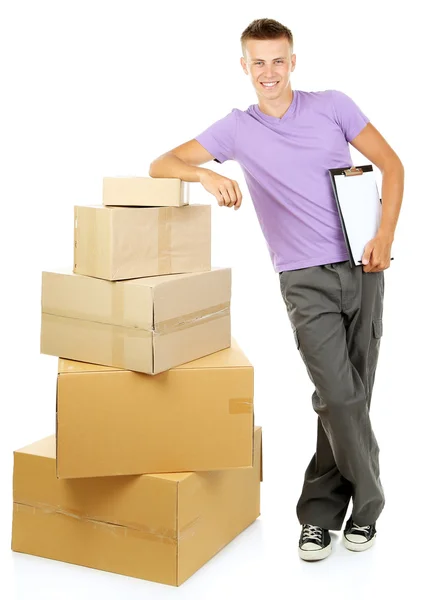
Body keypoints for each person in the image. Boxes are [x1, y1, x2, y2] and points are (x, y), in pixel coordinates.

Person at [149, 18, 404, 562]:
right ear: (244, 67)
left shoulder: (333, 105)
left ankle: (317, 517)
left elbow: (391, 164)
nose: (269, 72)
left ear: (293, 62)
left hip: (364, 266)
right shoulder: (236, 130)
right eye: (258, 62)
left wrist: (385, 235)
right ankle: (369, 505)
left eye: (278, 60)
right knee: (339, 396)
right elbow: (161, 163)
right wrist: (208, 177)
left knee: (349, 400)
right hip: (303, 278)